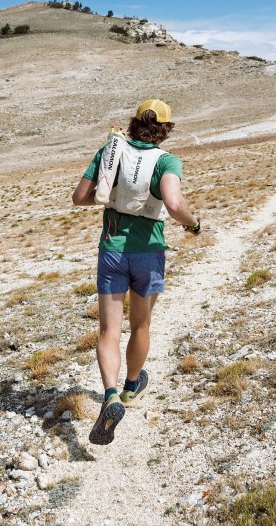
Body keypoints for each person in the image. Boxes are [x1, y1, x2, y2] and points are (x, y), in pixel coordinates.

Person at [72, 99, 201, 445]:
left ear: (132, 125)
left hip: (112, 251)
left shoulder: (112, 151)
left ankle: (110, 394)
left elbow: (81, 197)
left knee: (109, 331)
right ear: (166, 129)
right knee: (141, 324)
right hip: (149, 253)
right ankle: (131, 386)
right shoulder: (167, 160)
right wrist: (194, 223)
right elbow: (174, 205)